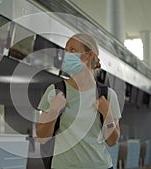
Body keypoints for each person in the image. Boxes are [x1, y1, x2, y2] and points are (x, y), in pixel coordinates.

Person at [36, 33, 122, 169]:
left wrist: (107, 114)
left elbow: (112, 141)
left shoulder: (107, 95)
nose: (67, 54)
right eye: (66, 50)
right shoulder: (55, 91)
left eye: (73, 50)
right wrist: (53, 111)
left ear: (89, 55)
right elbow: (42, 137)